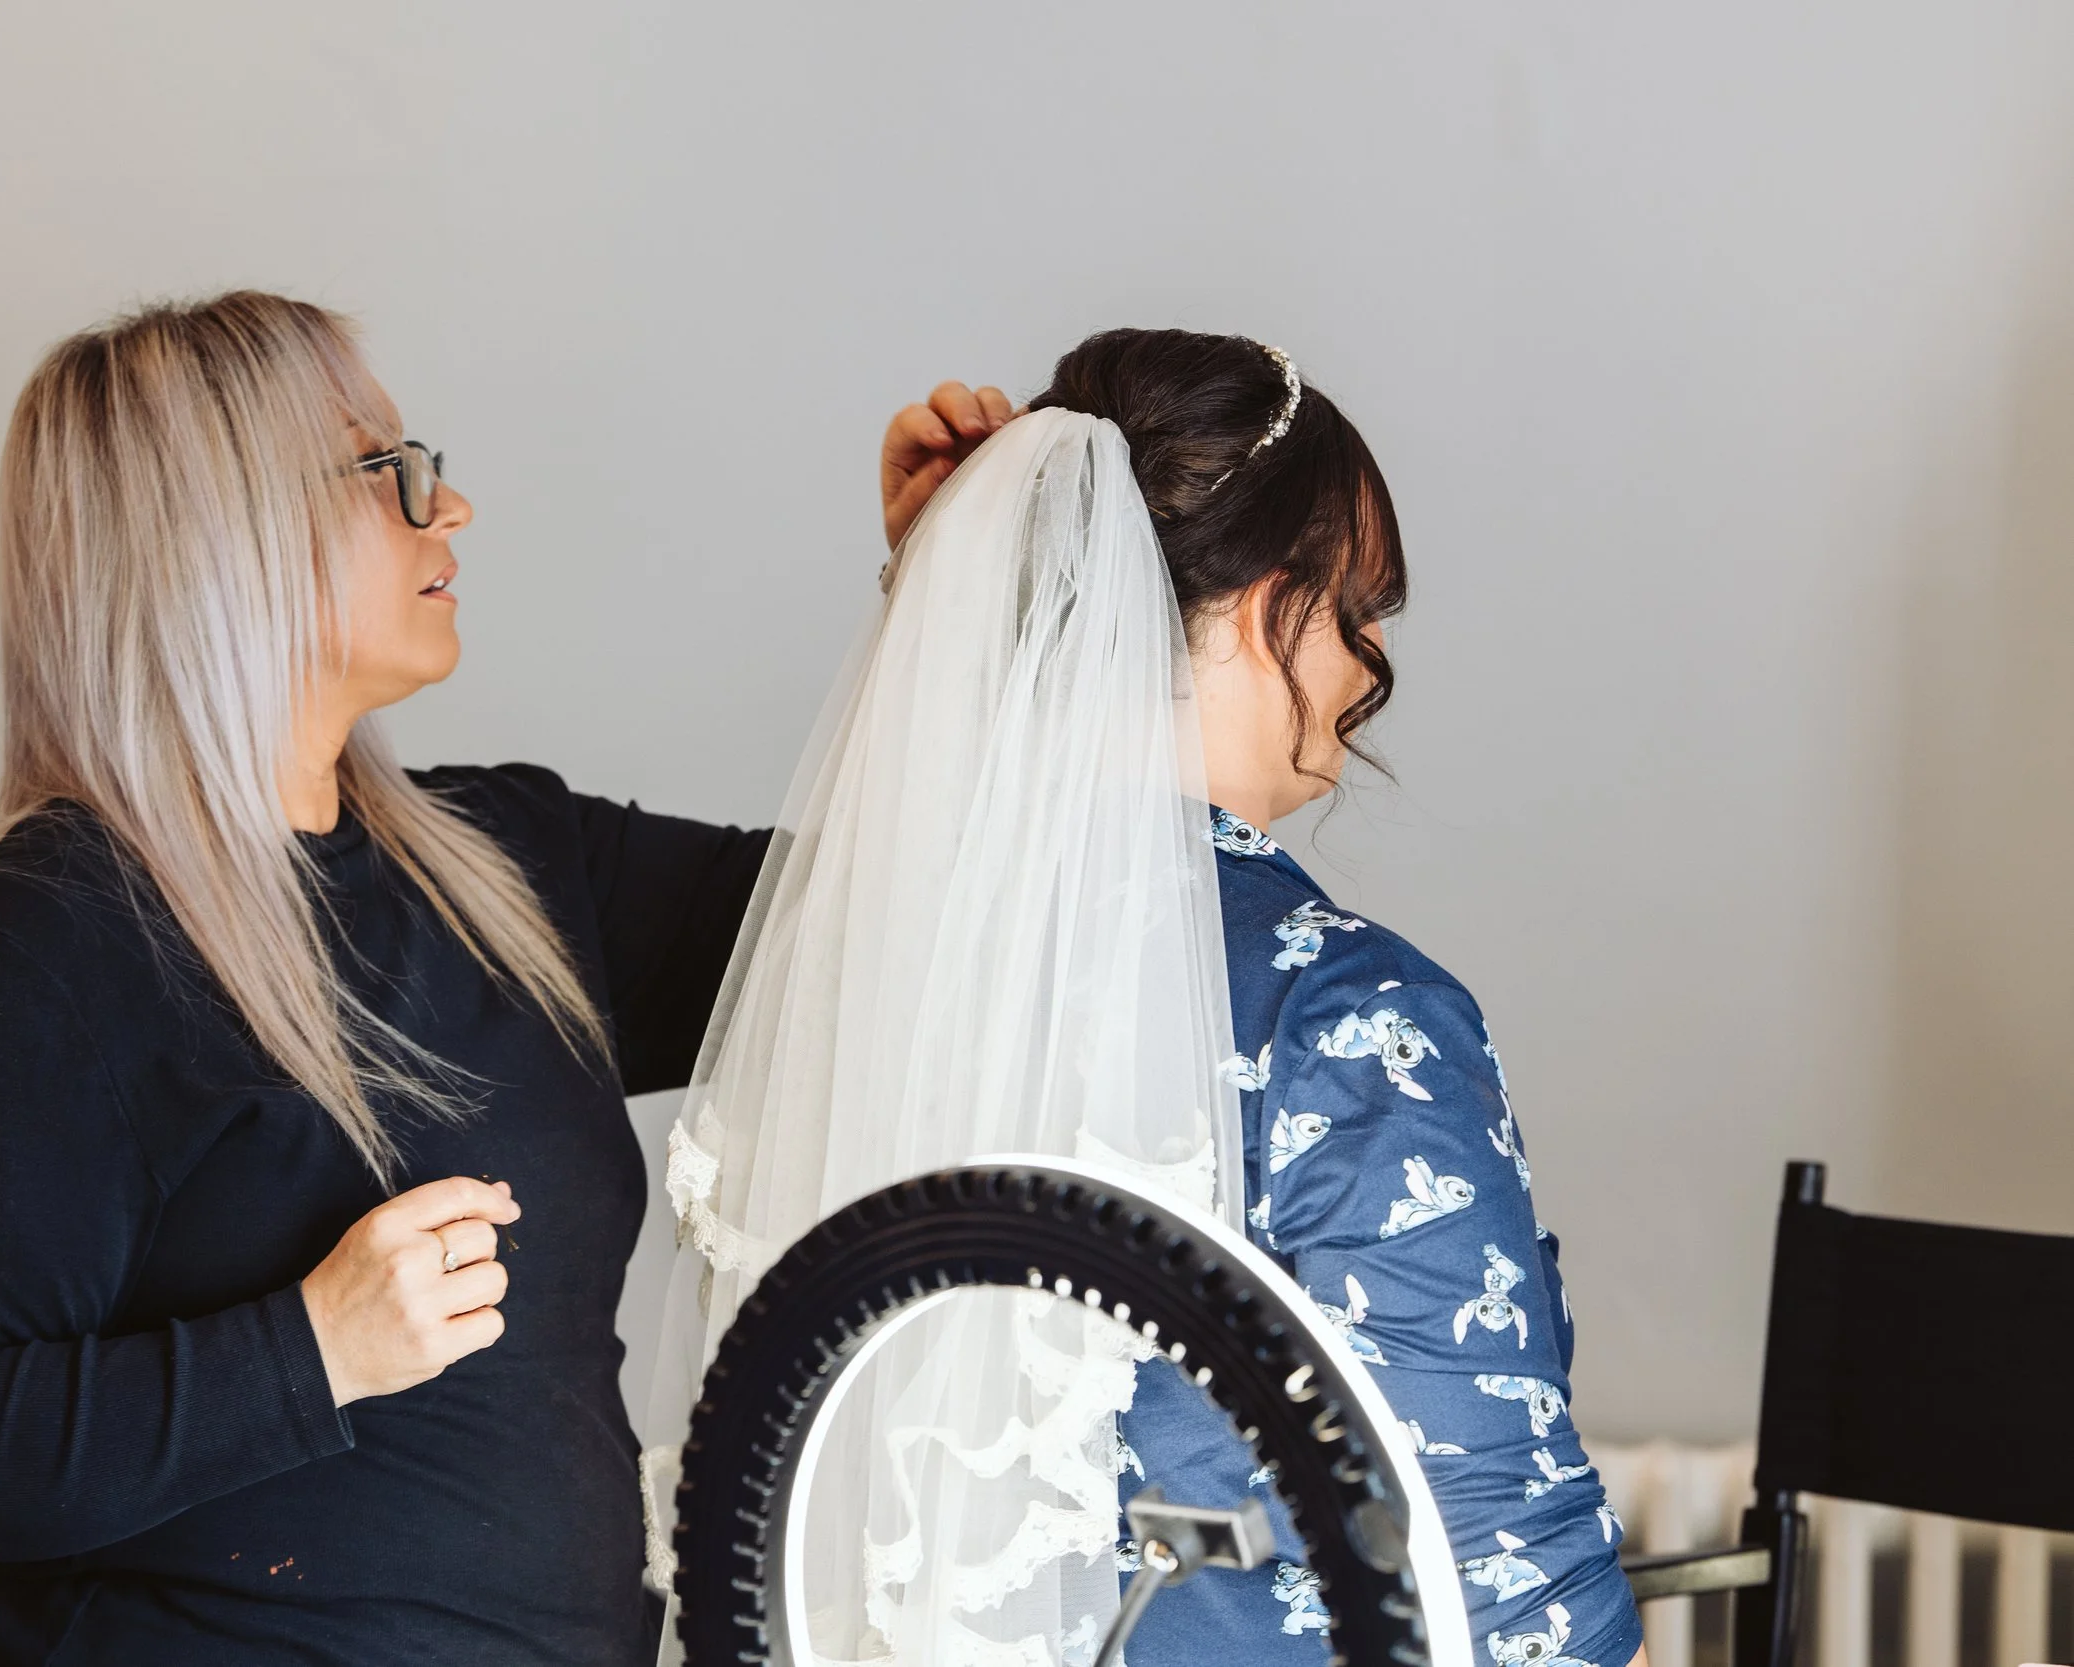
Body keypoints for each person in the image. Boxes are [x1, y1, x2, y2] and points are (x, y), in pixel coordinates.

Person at [0, 288, 1010, 1667]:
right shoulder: (38, 944)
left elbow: (907, 917)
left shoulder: (510, 859)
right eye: (389, 472)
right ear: (227, 536)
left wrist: (956, 590)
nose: (452, 512)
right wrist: (311, 1349)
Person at [645, 330, 1645, 1666]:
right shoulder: (1349, 1023)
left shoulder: (891, 970)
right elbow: (1521, 1598)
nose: (1365, 667)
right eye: (1360, 605)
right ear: (1257, 600)